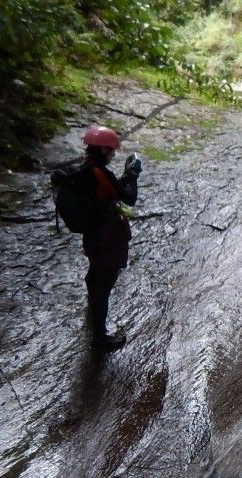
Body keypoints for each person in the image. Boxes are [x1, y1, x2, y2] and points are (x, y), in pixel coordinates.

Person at [80, 126, 142, 350]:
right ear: (104, 149)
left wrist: (124, 177)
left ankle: (92, 308)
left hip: (93, 234)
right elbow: (129, 198)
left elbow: (111, 191)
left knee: (95, 274)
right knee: (104, 286)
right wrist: (133, 176)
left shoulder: (85, 169)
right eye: (112, 151)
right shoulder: (100, 173)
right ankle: (100, 337)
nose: (114, 154)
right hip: (107, 236)